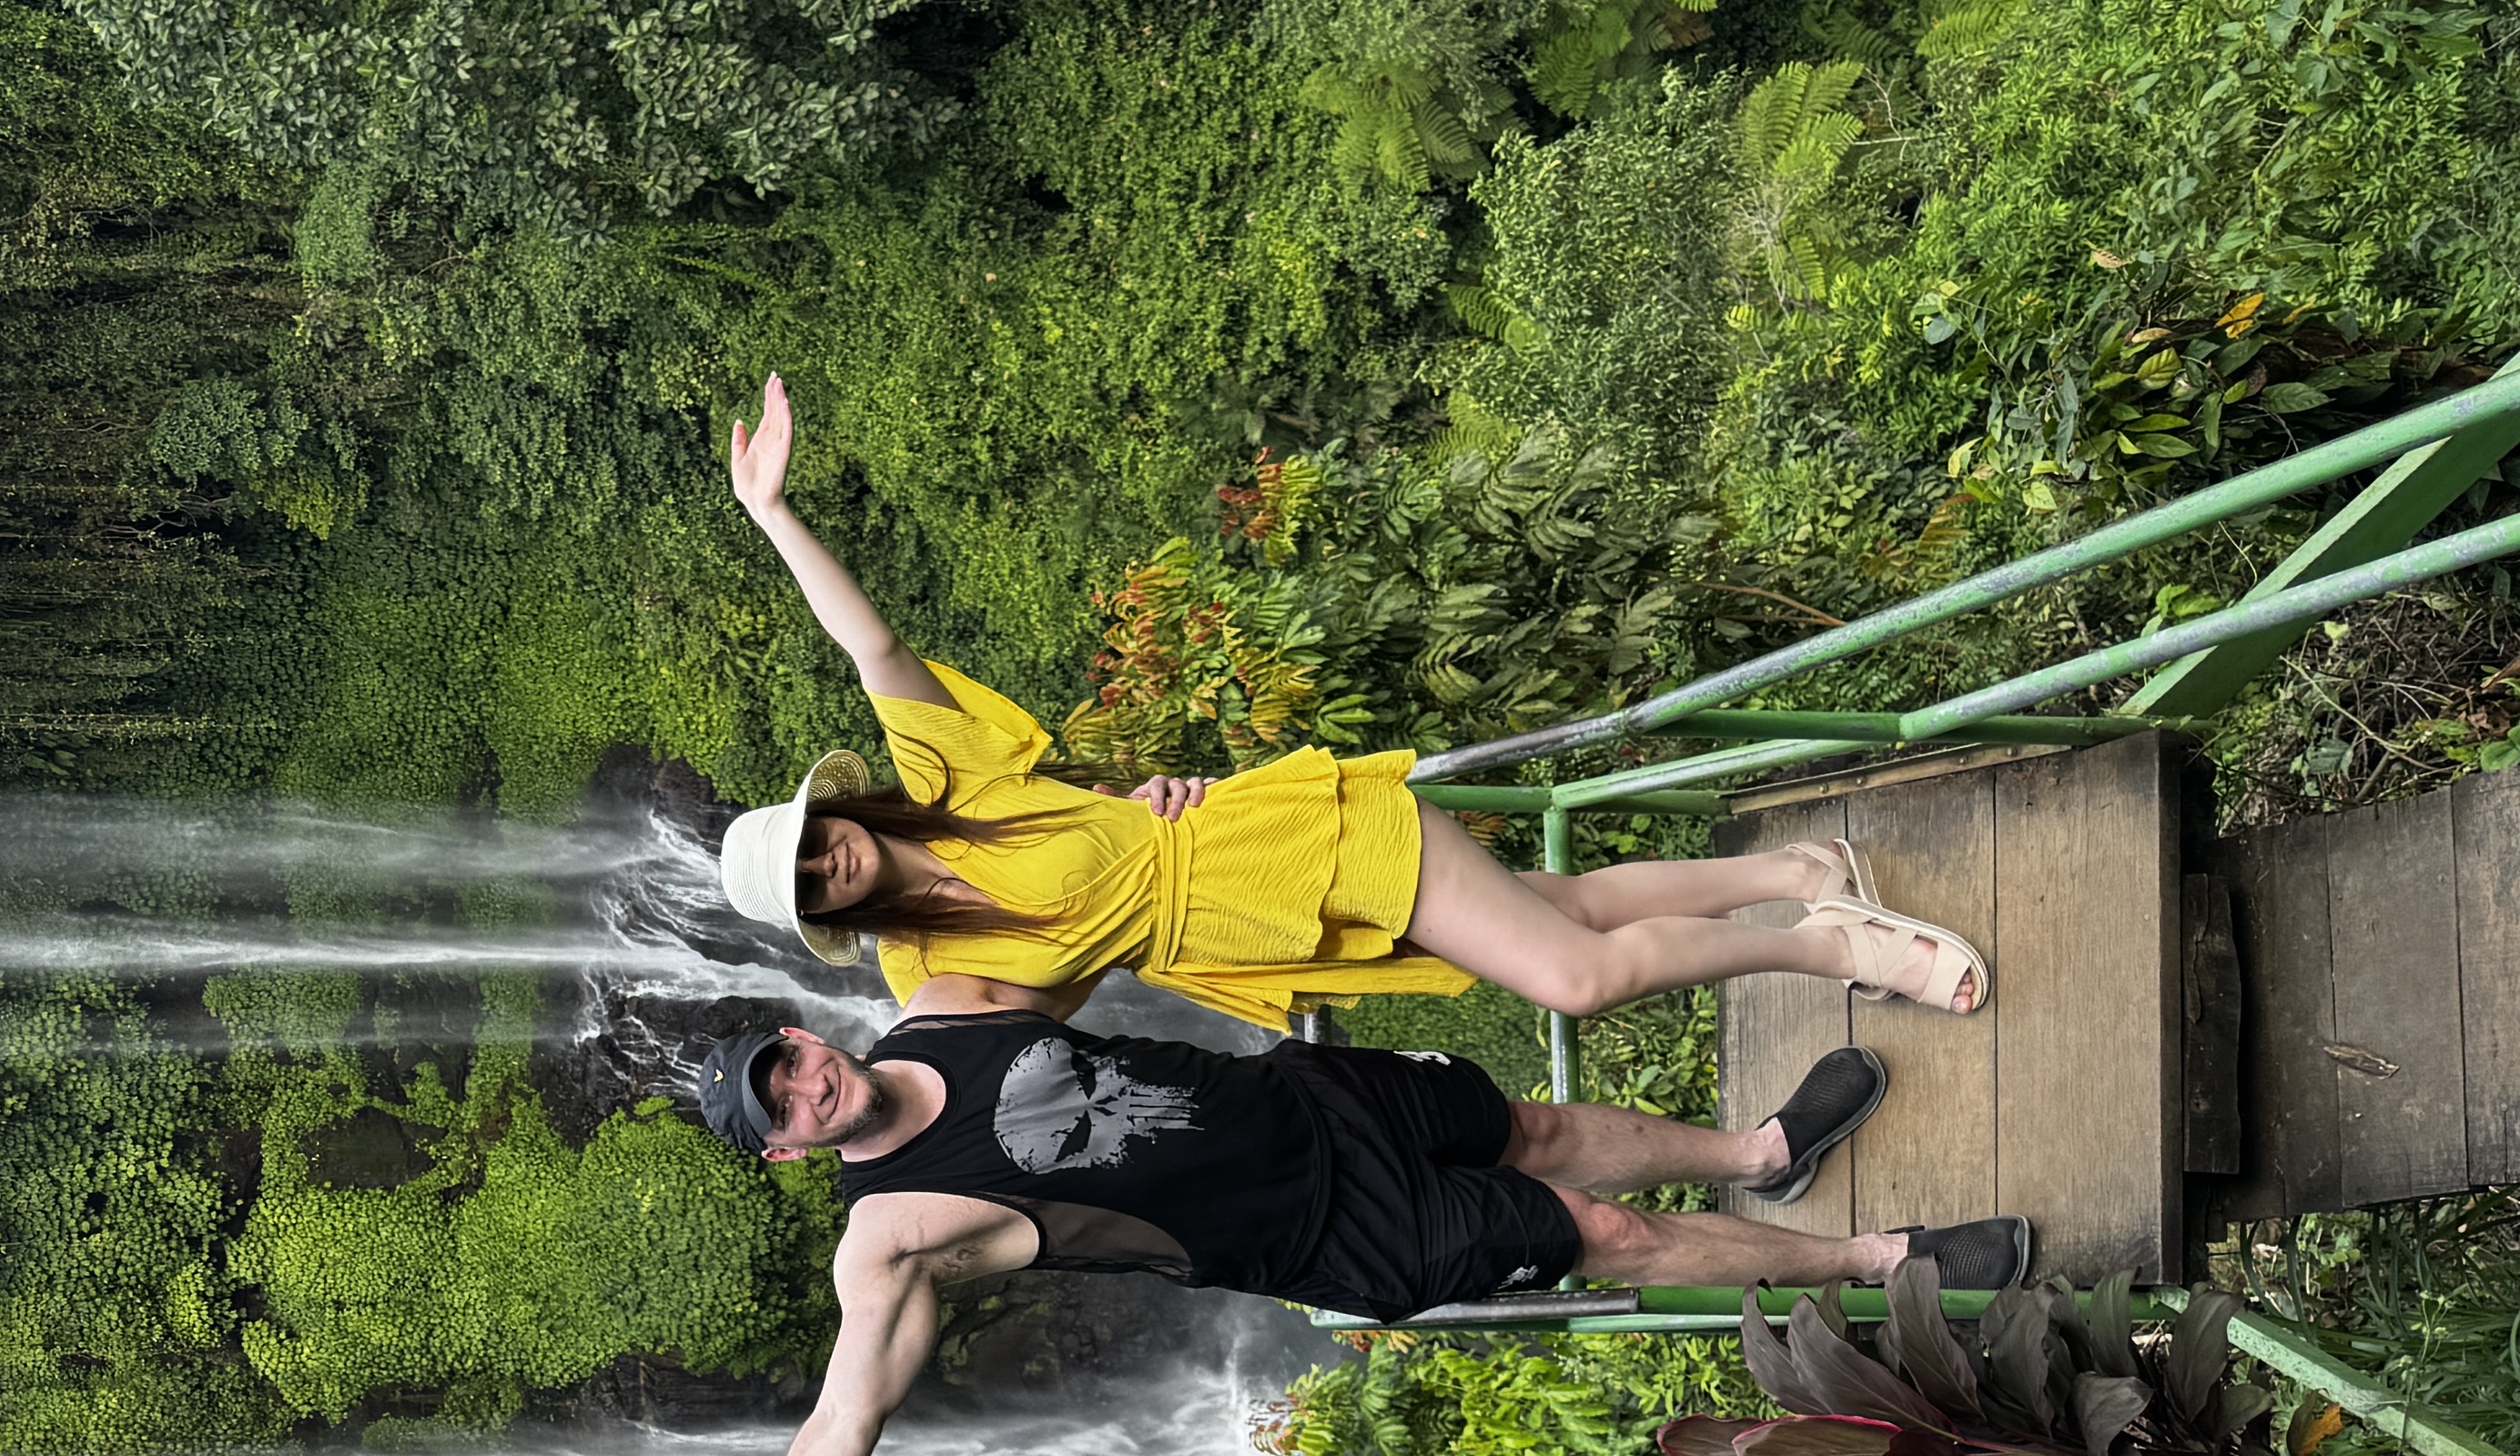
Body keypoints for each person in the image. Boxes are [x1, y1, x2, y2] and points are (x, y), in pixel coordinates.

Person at [635, 1007, 2028, 1456]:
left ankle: (1760, 1147)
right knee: (1596, 1233)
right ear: (784, 1151)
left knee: (1533, 1126)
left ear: (803, 1032)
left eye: (791, 1059)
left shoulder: (928, 1022)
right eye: (783, 1106)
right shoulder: (887, 1232)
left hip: (1315, 1100)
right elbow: (848, 1409)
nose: (808, 1085)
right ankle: (1878, 1259)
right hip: (1320, 1237)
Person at [709, 380, 1989, 1026]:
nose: (830, 861)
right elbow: (1007, 1033)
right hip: (1249, 937)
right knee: (1574, 908)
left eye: (812, 838)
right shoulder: (926, 968)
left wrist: (774, 515)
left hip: (1275, 839)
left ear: (829, 809)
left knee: (1572, 979)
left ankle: (1832, 944)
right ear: (826, 912)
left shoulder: (945, 784)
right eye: (813, 883)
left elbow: (871, 642)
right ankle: (1799, 863)